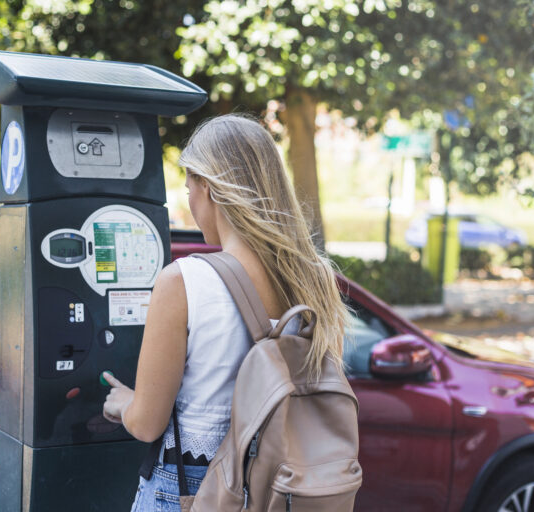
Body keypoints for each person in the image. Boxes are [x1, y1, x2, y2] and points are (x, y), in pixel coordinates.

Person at [101, 114, 349, 511]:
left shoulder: (183, 281)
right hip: (281, 488)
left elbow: (147, 423)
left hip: (191, 490)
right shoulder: (314, 277)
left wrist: (123, 402)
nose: (191, 203)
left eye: (189, 189)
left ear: (210, 188)